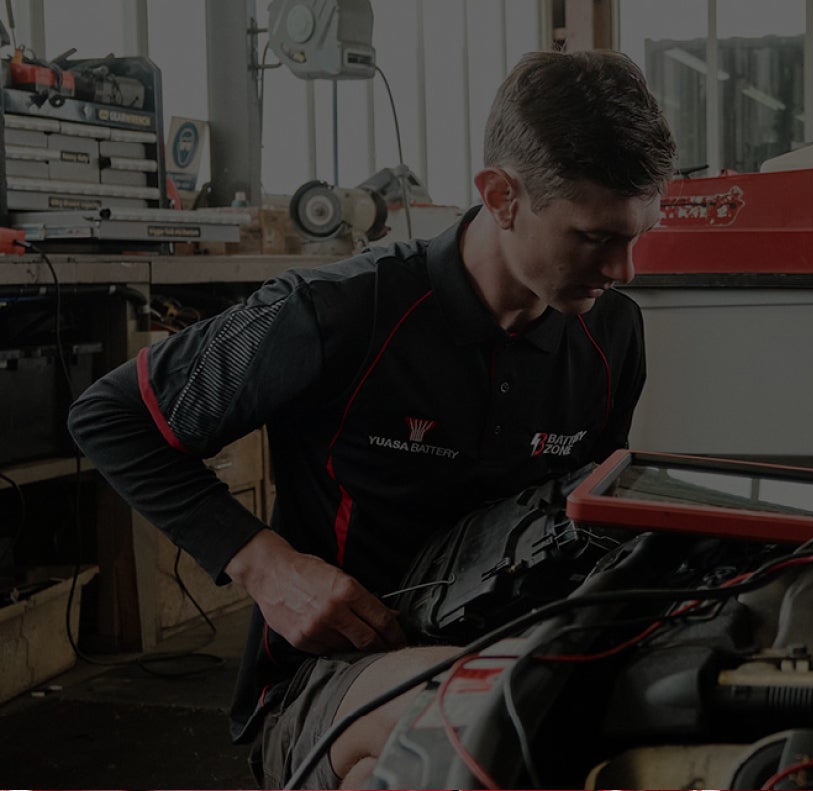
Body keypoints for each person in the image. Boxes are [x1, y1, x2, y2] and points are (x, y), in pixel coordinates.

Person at [68, 50, 676, 789]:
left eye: (636, 235)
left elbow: (594, 513)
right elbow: (109, 417)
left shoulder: (612, 334)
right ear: (500, 195)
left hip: (526, 652)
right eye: (594, 238)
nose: (624, 270)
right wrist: (267, 565)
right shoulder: (337, 314)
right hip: (336, 677)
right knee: (463, 722)